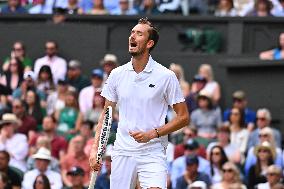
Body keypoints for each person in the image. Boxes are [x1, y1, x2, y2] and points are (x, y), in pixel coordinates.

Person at [89, 18, 189, 189]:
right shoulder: (116, 74)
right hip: (122, 152)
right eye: (132, 32)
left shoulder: (166, 76)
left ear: (149, 43)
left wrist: (152, 134)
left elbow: (183, 117)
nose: (132, 36)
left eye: (139, 33)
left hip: (153, 152)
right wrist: (95, 149)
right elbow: (106, 115)